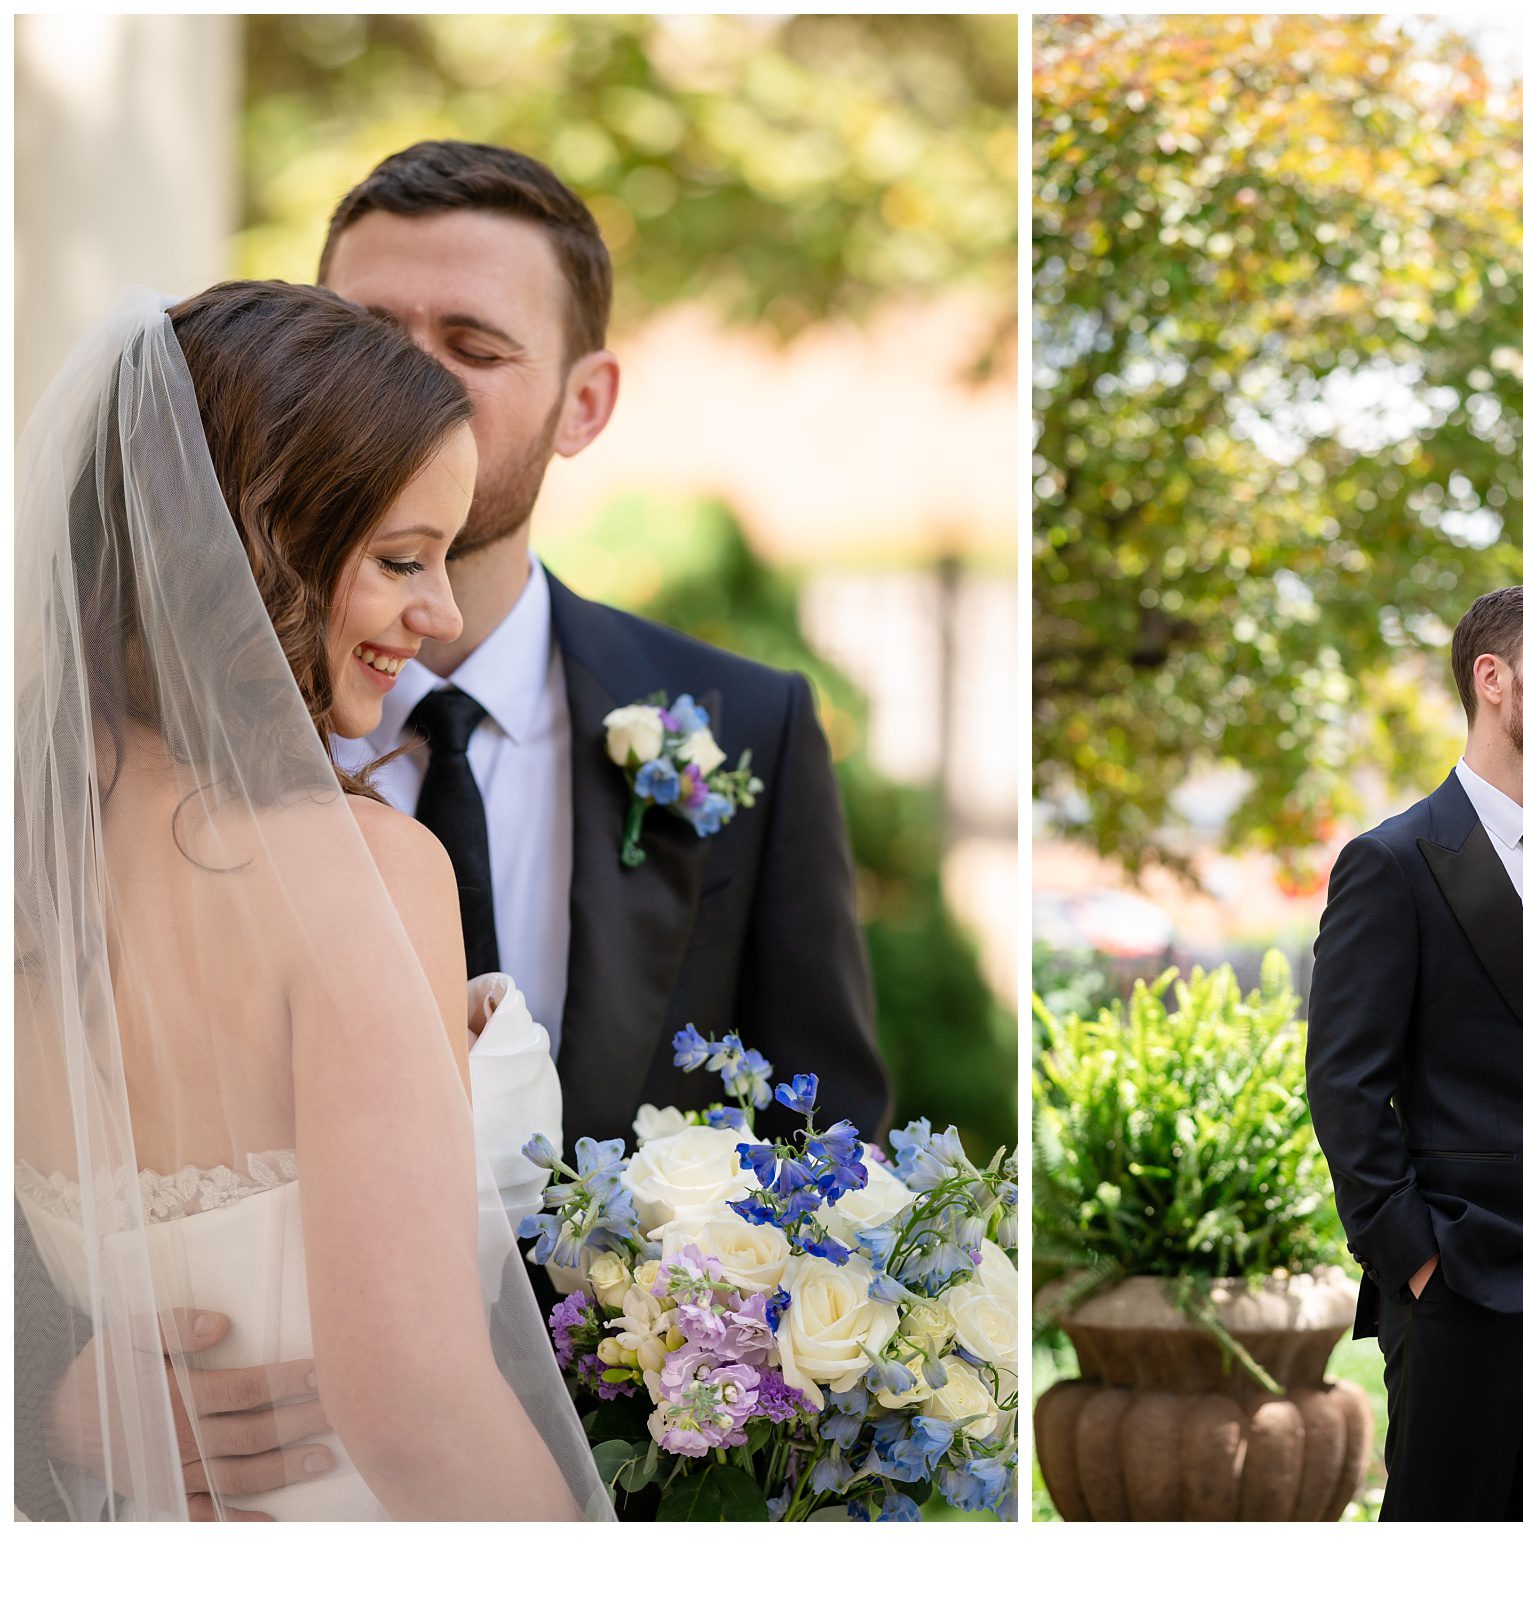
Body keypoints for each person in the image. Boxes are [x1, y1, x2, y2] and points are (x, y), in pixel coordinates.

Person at [15, 281, 609, 1520]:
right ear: (251, 551)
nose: (437, 615)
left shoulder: (34, 869)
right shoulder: (359, 876)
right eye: (401, 559)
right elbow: (414, 1408)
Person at [318, 140, 889, 1150]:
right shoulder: (186, 724)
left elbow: (826, 1135)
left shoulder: (750, 726)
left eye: (472, 346)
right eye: (359, 337)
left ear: (583, 405)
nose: (401, 381)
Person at [1305, 584, 1523, 1520]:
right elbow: (1343, 1086)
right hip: (1461, 1277)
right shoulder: (1394, 862)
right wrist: (1414, 1259)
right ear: (1493, 679)